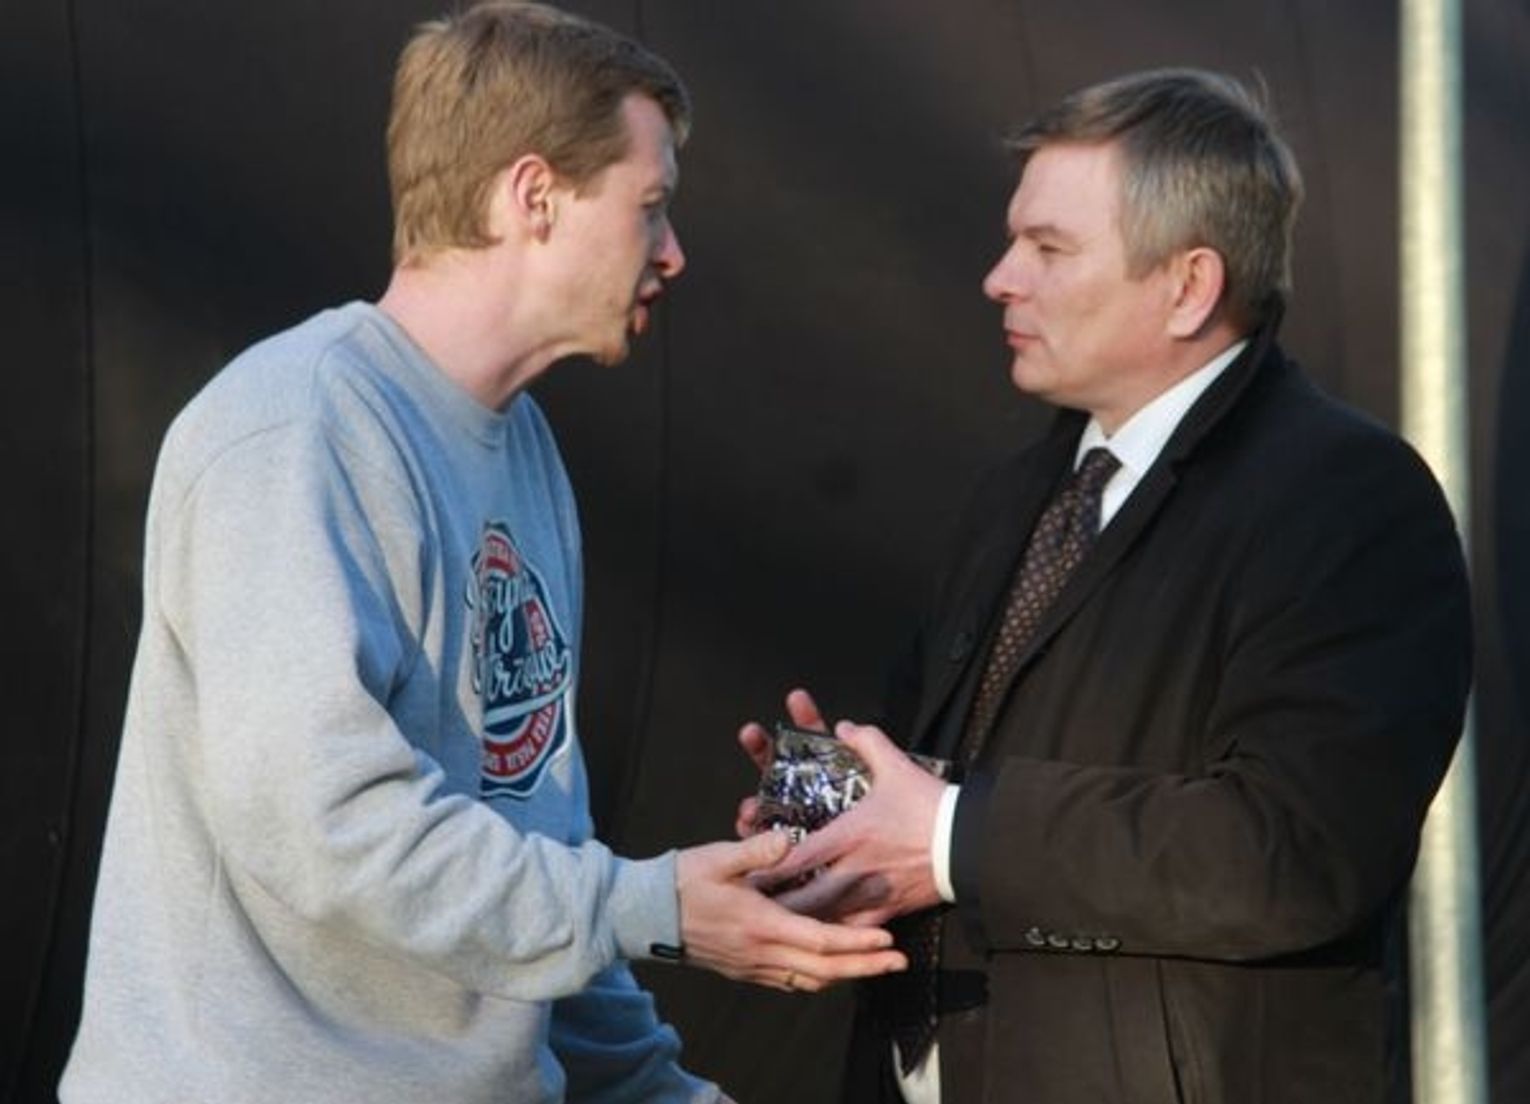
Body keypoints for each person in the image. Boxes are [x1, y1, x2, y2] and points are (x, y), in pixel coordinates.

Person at [59, 5, 905, 1102]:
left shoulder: (525, 454)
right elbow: (327, 828)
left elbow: (533, 861)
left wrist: (666, 1087)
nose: (674, 252)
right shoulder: (296, 428)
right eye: (651, 207)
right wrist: (652, 907)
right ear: (534, 196)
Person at [738, 69, 1471, 1104]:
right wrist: (834, 815)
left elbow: (1297, 851)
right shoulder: (1021, 493)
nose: (1000, 278)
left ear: (1189, 286)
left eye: (1048, 248)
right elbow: (959, 785)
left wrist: (946, 836)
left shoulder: (1347, 500)